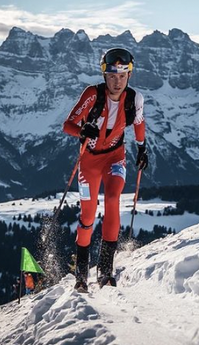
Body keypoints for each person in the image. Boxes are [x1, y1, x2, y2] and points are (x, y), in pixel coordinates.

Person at [63, 47, 148, 292]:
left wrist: (142, 149)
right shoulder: (92, 94)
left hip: (115, 158)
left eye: (122, 75)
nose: (117, 81)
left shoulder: (135, 99)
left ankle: (105, 270)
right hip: (89, 162)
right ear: (104, 75)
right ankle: (81, 274)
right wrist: (81, 131)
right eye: (112, 75)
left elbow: (139, 124)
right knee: (88, 216)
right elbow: (67, 124)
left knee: (112, 200)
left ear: (129, 75)